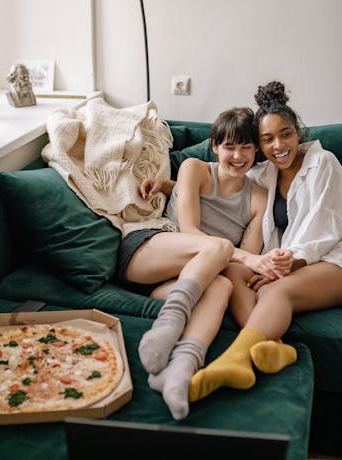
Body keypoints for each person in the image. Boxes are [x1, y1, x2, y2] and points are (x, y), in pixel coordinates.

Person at [189, 81, 342, 402]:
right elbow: (219, 178)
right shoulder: (263, 174)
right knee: (233, 272)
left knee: (275, 288)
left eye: (285, 134)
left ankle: (233, 360)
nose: (278, 145)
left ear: (298, 133)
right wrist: (169, 185)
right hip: (293, 264)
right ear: (259, 146)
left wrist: (282, 267)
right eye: (267, 139)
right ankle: (277, 349)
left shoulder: (324, 163)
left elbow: (325, 229)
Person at [118, 107, 290, 420]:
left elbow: (236, 269)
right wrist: (250, 258)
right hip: (149, 253)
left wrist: (249, 263)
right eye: (229, 147)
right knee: (220, 247)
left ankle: (180, 370)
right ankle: (167, 327)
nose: (237, 156)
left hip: (181, 284)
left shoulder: (260, 197)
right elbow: (190, 232)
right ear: (215, 146)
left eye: (246, 147)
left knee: (223, 283)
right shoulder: (194, 168)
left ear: (256, 151)